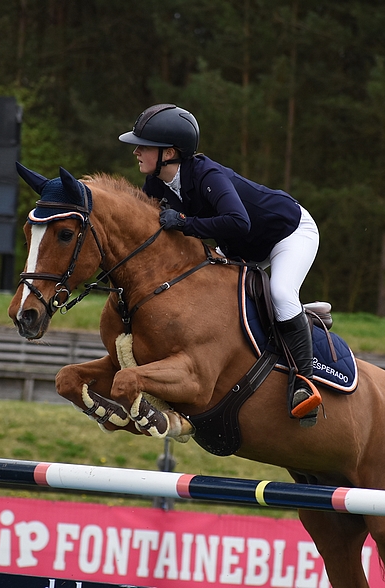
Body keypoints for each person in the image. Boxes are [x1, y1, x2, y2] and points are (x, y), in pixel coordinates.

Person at [119, 104, 322, 426]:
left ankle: (305, 384)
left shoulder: (206, 175)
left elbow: (237, 221)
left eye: (143, 146)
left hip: (287, 234)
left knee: (282, 293)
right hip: (240, 248)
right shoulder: (156, 184)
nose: (136, 151)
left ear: (169, 152)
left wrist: (184, 222)